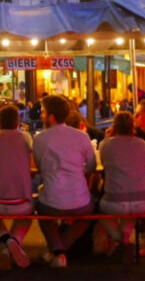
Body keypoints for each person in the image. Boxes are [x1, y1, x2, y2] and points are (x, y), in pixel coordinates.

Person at [33, 95, 97, 268]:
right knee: (89, 212)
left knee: (41, 209)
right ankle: (60, 250)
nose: (41, 115)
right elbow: (92, 166)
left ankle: (57, 250)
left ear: (51, 117)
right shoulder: (82, 137)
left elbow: (40, 169)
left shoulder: (39, 139)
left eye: (43, 112)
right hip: (80, 200)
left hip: (51, 200)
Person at [0, 105, 34, 271]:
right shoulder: (25, 138)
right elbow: (32, 163)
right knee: (28, 215)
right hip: (22, 202)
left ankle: (4, 244)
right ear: (17, 121)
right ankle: (15, 241)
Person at [96, 111, 145, 265]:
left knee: (98, 209)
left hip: (114, 201)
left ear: (114, 126)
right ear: (132, 126)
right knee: (131, 206)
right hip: (142, 200)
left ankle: (120, 241)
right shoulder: (141, 144)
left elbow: (102, 164)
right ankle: (125, 240)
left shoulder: (105, 144)